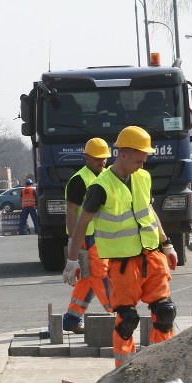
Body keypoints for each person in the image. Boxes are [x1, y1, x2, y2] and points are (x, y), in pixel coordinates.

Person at [64, 126, 178, 367]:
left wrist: (167, 244)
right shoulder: (100, 187)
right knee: (127, 319)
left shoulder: (143, 177)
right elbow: (81, 223)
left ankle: (162, 363)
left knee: (166, 312)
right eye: (139, 159)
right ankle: (125, 369)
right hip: (123, 264)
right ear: (123, 154)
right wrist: (72, 260)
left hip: (152, 256)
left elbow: (149, 212)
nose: (142, 164)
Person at [62, 138, 112, 334]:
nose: (102, 162)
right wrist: (73, 241)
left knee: (86, 279)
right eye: (98, 158)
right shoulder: (79, 180)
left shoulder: (106, 176)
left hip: (101, 236)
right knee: (101, 275)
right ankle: (117, 311)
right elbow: (71, 211)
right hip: (88, 237)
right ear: (87, 157)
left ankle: (72, 319)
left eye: (105, 158)